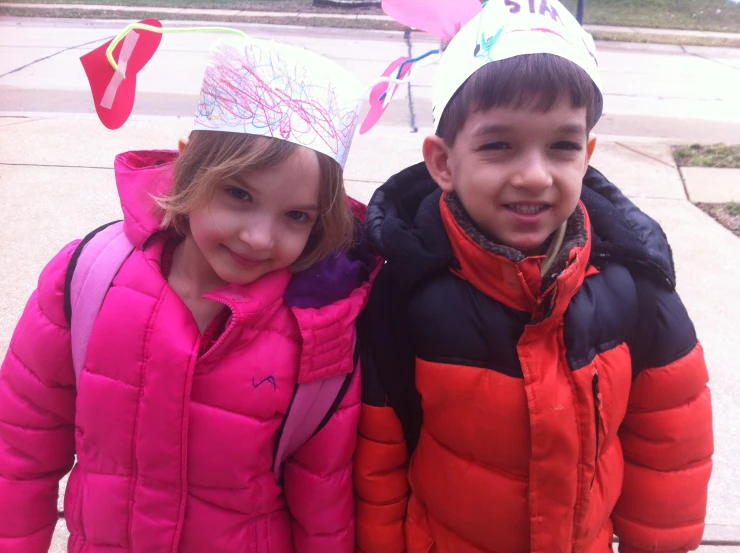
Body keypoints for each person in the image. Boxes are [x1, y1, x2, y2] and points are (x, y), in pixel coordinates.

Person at [354, 2, 713, 552]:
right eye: (499, 145)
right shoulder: (407, 290)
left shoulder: (634, 284)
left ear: (587, 156)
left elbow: (669, 441)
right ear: (444, 162)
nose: (533, 175)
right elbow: (381, 451)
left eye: (562, 146)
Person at [0, 33, 380, 553]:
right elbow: (20, 451)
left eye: (296, 215)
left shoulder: (320, 332)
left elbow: (324, 499)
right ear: (190, 166)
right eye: (239, 194)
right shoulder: (88, 277)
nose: (259, 237)